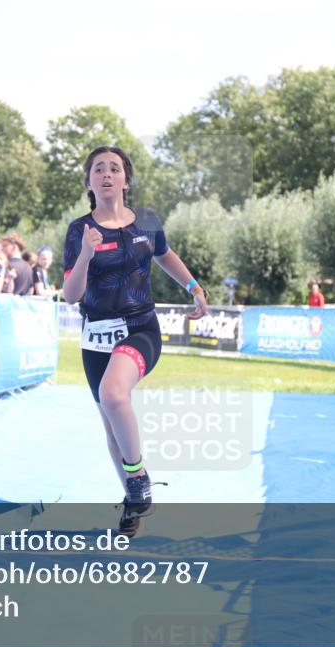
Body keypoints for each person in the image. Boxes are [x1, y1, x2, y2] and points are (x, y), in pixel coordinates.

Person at [63, 145, 209, 533]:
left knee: (114, 394)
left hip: (140, 328)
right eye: (98, 169)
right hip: (96, 335)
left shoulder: (146, 221)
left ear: (126, 179)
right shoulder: (80, 230)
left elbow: (165, 254)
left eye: (114, 168)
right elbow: (71, 294)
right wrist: (85, 255)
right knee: (112, 425)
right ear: (89, 181)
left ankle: (138, 477)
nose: (106, 174)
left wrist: (194, 287)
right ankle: (134, 499)